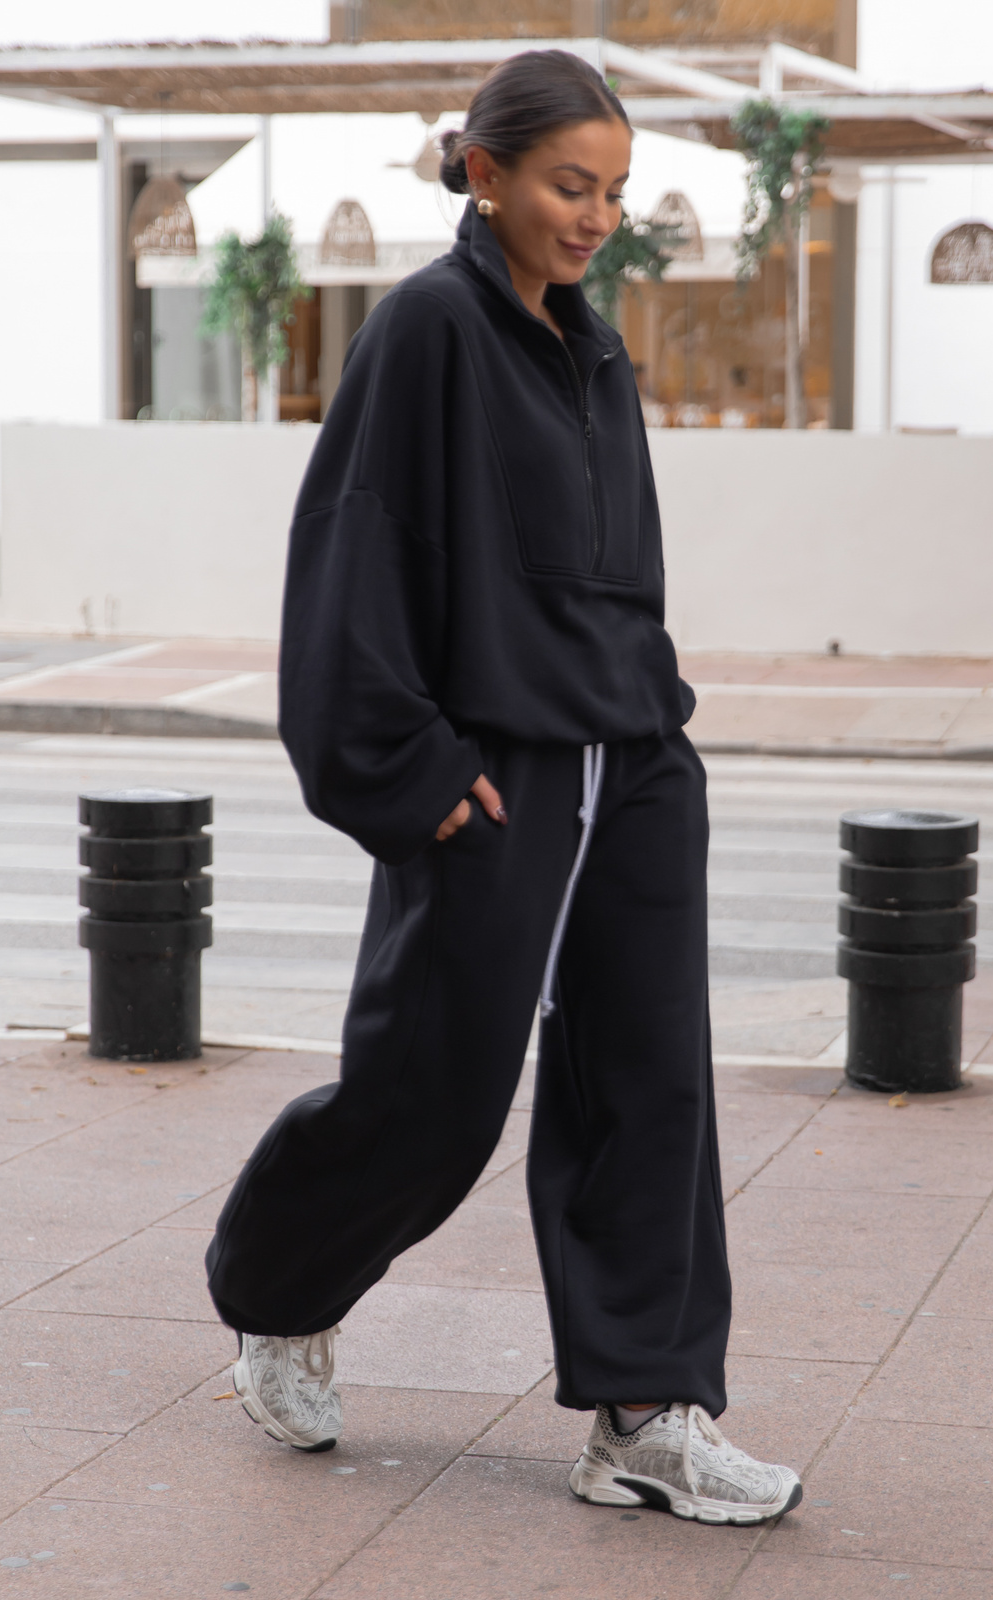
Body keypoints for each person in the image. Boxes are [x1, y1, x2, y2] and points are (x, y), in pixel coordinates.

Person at [205, 48, 802, 1528]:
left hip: (632, 768)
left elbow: (624, 573)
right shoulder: (425, 330)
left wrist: (659, 727)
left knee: (650, 1085)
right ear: (485, 173)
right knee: (435, 1092)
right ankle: (279, 1294)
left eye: (614, 192)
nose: (596, 217)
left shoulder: (593, 351)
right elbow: (351, 554)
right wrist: (411, 771)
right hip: (493, 781)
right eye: (568, 186)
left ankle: (646, 1413)